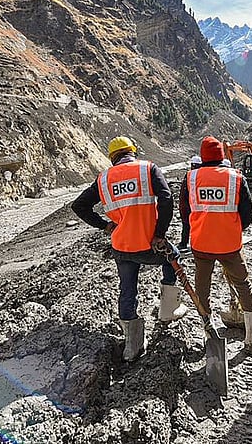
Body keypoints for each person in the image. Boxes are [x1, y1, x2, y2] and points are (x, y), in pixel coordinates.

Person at [71, 136, 188, 361]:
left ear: (112, 157)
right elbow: (166, 199)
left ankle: (131, 345)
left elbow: (79, 206)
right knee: (173, 256)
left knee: (127, 288)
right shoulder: (148, 169)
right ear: (132, 152)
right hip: (148, 243)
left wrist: (105, 225)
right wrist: (159, 234)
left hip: (122, 246)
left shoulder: (104, 179)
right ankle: (167, 311)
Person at [180, 136, 252, 353]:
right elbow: (247, 215)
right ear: (221, 155)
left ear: (202, 156)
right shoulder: (236, 177)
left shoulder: (190, 178)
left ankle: (208, 332)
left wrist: (196, 228)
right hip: (230, 245)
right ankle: (251, 336)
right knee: (242, 284)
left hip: (201, 244)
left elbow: (184, 212)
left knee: (202, 286)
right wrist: (232, 229)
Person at [178, 156, 203, 252]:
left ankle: (184, 243)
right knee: (196, 226)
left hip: (188, 205)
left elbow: (184, 193)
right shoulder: (202, 176)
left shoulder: (189, 176)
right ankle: (195, 244)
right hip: (196, 206)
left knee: (186, 225)